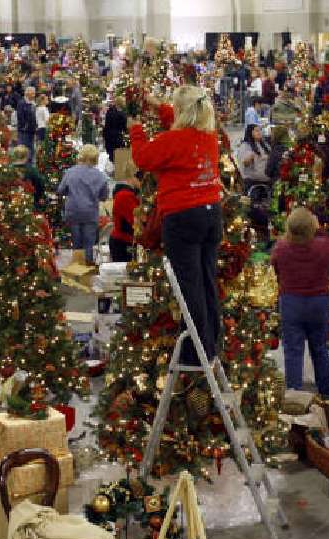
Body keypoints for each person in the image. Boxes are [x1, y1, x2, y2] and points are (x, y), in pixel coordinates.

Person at [130, 85, 223, 366]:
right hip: (211, 214)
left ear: (182, 111)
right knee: (207, 279)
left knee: (188, 284)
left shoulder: (173, 140)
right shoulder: (208, 137)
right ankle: (212, 340)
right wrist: (160, 106)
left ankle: (196, 352)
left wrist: (135, 129)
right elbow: (183, 123)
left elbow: (143, 158)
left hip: (183, 218)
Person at [271, 207, 329, 395]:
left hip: (291, 302)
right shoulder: (324, 246)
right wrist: (319, 229)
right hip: (318, 302)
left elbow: (274, 267)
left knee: (293, 350)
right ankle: (326, 390)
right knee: (320, 347)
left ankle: (294, 392)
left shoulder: (281, 248)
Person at [58, 144, 110, 265]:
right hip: (90, 213)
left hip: (73, 212)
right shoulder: (100, 176)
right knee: (89, 244)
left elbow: (60, 190)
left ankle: (76, 268)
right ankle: (87, 269)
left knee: (77, 243)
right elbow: (103, 197)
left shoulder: (70, 172)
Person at [110, 172, 140, 263]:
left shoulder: (127, 194)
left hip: (125, 240)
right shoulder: (125, 195)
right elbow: (134, 220)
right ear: (133, 178)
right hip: (123, 242)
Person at [237, 124, 272, 193]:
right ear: (250, 132)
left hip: (266, 178)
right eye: (256, 131)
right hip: (253, 179)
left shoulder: (265, 145)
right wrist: (250, 158)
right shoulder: (245, 146)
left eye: (260, 130)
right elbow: (244, 163)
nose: (259, 132)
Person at [102, 98, 129, 162]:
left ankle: (112, 164)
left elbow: (106, 124)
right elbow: (125, 128)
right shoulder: (122, 114)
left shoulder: (109, 111)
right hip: (117, 137)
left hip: (108, 136)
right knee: (117, 155)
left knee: (111, 154)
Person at [15, 86, 38, 158]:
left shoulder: (33, 103)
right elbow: (20, 117)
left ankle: (30, 166)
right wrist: (25, 126)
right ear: (28, 93)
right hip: (24, 131)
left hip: (32, 130)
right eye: (33, 93)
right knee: (23, 150)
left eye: (34, 93)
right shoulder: (21, 103)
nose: (34, 95)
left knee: (31, 149)